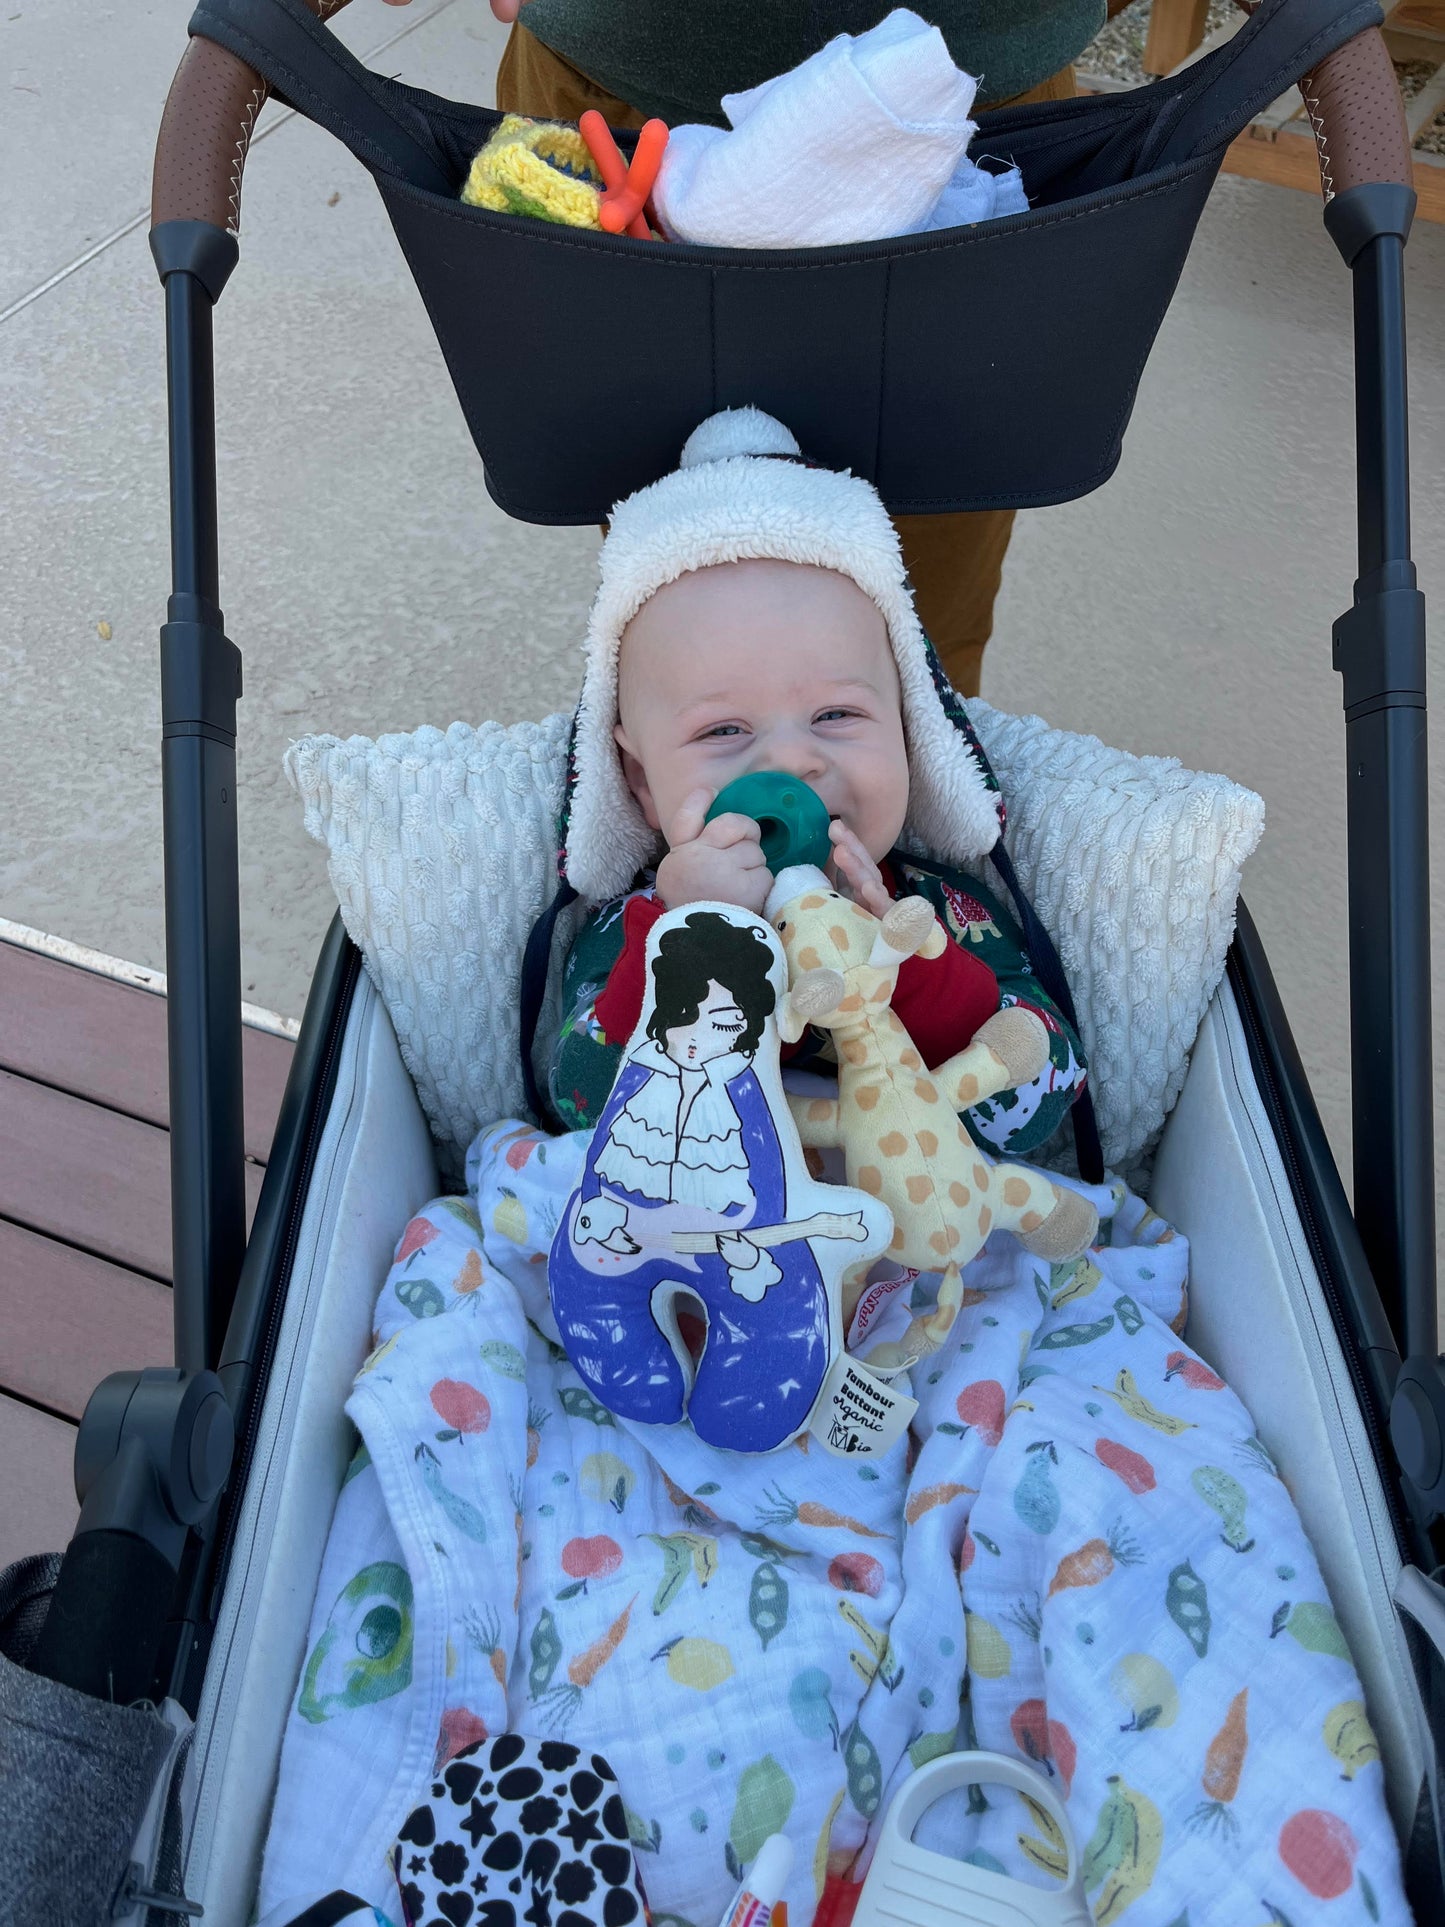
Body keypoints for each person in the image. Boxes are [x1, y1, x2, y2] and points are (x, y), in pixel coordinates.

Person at [384, 0, 1103, 695]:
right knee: (681, 568)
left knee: (915, 616)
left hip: (963, 121)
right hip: (620, 108)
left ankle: (915, 796)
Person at [538, 404, 1089, 1169]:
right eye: (724, 730)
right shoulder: (645, 926)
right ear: (639, 780)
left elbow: (1040, 1105)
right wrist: (687, 942)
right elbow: (579, 1107)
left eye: (835, 713)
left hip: (929, 1245)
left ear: (911, 732)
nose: (792, 764)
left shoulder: (937, 914)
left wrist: (922, 975)